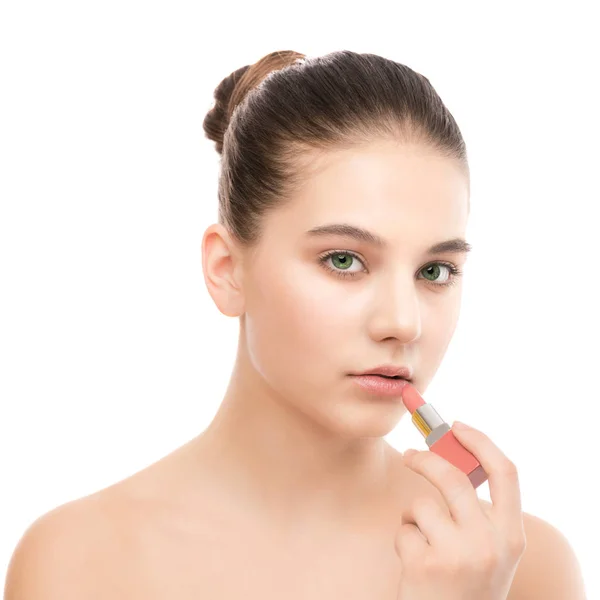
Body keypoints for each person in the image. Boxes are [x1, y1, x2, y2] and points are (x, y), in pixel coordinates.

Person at [4, 49, 586, 599]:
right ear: (228, 270)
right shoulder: (78, 563)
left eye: (435, 270)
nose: (402, 322)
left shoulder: (520, 567)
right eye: (344, 260)